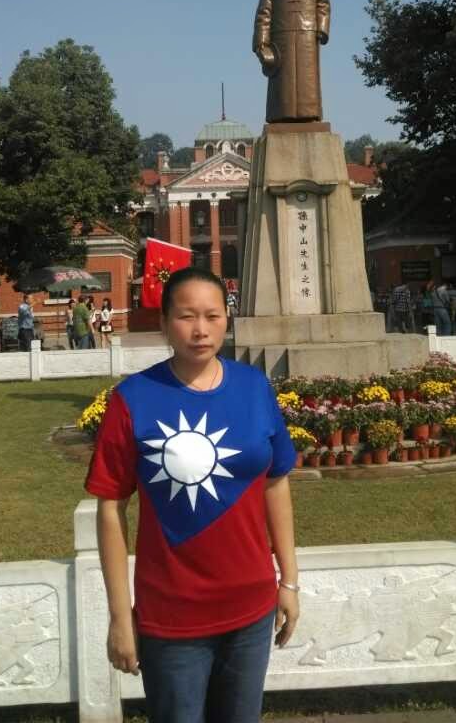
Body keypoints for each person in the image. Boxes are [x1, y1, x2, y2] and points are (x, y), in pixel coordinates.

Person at [85, 266, 299, 723]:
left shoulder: (254, 387)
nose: (200, 330)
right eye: (186, 316)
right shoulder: (133, 399)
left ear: (227, 319)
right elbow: (110, 508)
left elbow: (276, 482)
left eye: (212, 316)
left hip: (251, 609)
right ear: (164, 322)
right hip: (171, 617)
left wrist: (289, 581)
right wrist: (121, 616)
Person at [253, 0, 330, 122]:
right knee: (282, 82)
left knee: (307, 80)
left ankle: (309, 114)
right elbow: (263, 13)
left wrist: (322, 28)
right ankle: (280, 115)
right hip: (280, 39)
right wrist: (261, 43)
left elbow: (323, 4)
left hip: (307, 36)